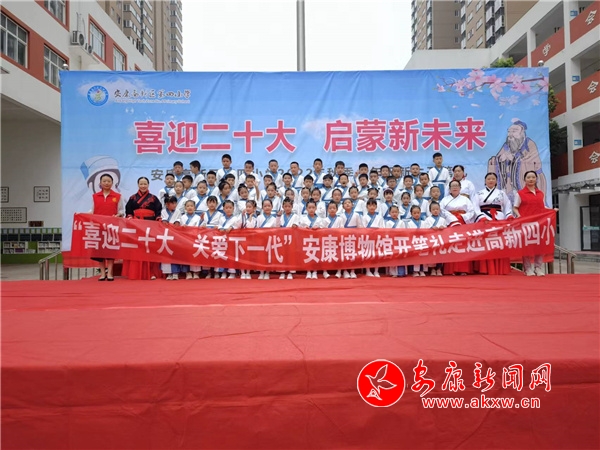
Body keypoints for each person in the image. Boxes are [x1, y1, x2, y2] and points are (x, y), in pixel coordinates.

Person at [488, 120, 547, 204]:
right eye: (509, 131)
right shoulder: (506, 145)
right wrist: (501, 158)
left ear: (522, 132)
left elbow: (531, 160)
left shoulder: (529, 144)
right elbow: (498, 158)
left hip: (522, 182)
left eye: (514, 131)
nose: (510, 134)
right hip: (508, 184)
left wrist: (514, 158)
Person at [513, 171, 557, 276]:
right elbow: (515, 207)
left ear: (536, 179)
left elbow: (542, 207)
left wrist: (552, 211)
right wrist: (519, 216)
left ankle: (538, 268)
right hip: (526, 224)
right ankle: (527, 268)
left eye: (533, 177)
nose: (531, 179)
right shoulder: (520, 194)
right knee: (527, 246)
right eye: (528, 177)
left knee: (540, 245)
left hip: (539, 223)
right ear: (524, 179)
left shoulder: (540, 193)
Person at [474, 173, 514, 275]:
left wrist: (509, 215)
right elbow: (475, 207)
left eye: (493, 179)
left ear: (496, 181)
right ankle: (485, 268)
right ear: (485, 181)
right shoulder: (479, 193)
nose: (491, 180)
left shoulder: (501, 193)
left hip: (498, 218)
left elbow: (507, 206)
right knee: (486, 243)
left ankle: (501, 268)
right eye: (488, 179)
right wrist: (481, 217)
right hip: (485, 219)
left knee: (499, 242)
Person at [123, 177, 162, 280]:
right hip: (137, 225)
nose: (143, 186)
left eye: (145, 184)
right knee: (138, 248)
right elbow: (128, 211)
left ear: (148, 185)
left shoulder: (154, 198)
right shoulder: (132, 198)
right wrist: (130, 217)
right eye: (141, 184)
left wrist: (158, 219)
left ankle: (151, 272)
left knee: (149, 247)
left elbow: (158, 211)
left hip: (150, 225)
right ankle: (135, 272)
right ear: (138, 185)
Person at [90, 173, 124, 281]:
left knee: (110, 250)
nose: (106, 183)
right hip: (98, 227)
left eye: (109, 181)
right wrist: (81, 215)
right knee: (99, 251)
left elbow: (121, 211)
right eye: (104, 181)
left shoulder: (117, 196)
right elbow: (92, 210)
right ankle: (102, 273)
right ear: (100, 183)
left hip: (111, 227)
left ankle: (109, 273)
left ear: (112, 183)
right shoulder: (95, 196)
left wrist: (118, 215)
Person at [440, 180, 476, 275]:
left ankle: (463, 269)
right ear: (449, 189)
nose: (455, 187)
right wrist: (452, 217)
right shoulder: (445, 200)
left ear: (460, 188)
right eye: (453, 186)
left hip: (462, 222)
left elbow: (471, 211)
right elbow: (441, 211)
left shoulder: (466, 200)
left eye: (457, 186)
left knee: (463, 245)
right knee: (451, 245)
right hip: (450, 223)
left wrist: (462, 217)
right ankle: (451, 269)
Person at [175, 200, 202, 279]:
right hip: (185, 239)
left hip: (194, 238)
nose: (190, 207)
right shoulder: (182, 217)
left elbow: (198, 227)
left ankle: (196, 272)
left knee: (195, 254)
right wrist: (183, 227)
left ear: (195, 207)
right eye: (188, 206)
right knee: (186, 255)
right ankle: (187, 272)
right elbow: (179, 227)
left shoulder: (198, 217)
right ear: (185, 208)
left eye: (191, 206)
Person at [320, 201, 344, 279]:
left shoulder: (340, 219)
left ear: (337, 209)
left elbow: (342, 229)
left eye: (334, 208)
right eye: (330, 208)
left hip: (337, 240)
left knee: (338, 255)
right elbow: (321, 230)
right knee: (325, 255)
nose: (332, 210)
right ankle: (325, 271)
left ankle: (339, 271)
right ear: (327, 210)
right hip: (327, 240)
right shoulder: (325, 220)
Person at [255, 198, 279, 280]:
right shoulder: (259, 217)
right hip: (261, 240)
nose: (267, 208)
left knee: (269, 256)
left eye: (269, 206)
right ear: (262, 207)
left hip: (270, 240)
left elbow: (277, 229)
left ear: (272, 207)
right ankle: (261, 272)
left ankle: (267, 272)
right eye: (265, 206)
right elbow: (256, 228)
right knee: (261, 256)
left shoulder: (274, 219)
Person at [340, 198, 364, 279]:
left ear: (352, 205)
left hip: (354, 236)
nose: (347, 204)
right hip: (345, 236)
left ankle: (352, 270)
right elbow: (341, 227)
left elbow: (359, 226)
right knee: (345, 254)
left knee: (353, 253)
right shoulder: (341, 216)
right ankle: (345, 270)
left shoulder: (356, 215)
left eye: (349, 202)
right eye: (345, 203)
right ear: (343, 206)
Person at [161, 196, 183, 280]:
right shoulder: (163, 211)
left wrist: (178, 221)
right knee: (166, 252)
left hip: (175, 234)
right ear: (167, 204)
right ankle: (168, 273)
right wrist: (163, 221)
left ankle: (175, 272)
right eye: (172, 203)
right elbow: (162, 220)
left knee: (174, 252)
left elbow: (180, 220)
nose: (174, 205)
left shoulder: (178, 211)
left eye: (175, 203)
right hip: (166, 234)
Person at [217, 200, 239, 279]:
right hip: (223, 240)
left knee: (231, 255)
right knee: (223, 255)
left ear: (233, 208)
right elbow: (219, 225)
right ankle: (223, 272)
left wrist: (232, 227)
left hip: (232, 240)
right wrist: (220, 228)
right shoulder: (221, 218)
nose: (228, 209)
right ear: (223, 209)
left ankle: (232, 272)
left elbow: (237, 226)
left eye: (230, 208)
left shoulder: (236, 218)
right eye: (226, 208)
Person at [363, 199, 385, 277]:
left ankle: (376, 271)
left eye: (373, 205)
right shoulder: (364, 217)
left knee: (377, 254)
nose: (371, 207)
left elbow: (382, 227)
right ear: (366, 207)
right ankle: (368, 270)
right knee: (368, 254)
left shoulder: (379, 217)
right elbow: (363, 228)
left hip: (377, 238)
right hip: (368, 238)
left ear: (376, 207)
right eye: (369, 205)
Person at [423, 201, 447, 276]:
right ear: (430, 210)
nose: (435, 211)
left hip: (440, 239)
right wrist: (431, 228)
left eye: (437, 209)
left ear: (439, 210)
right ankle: (432, 269)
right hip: (432, 239)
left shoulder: (443, 219)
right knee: (432, 254)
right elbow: (425, 228)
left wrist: (443, 227)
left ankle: (439, 268)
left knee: (440, 254)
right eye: (433, 209)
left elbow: (446, 228)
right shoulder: (428, 219)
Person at [278, 198, 299, 279]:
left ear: (292, 207)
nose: (287, 208)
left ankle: (290, 271)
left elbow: (297, 224)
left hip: (292, 238)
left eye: (289, 206)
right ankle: (282, 271)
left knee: (291, 255)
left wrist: (295, 225)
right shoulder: (281, 216)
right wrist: (278, 217)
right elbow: (277, 225)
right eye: (285, 206)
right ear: (283, 207)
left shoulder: (295, 216)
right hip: (282, 238)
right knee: (282, 255)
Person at [405, 205, 427, 277]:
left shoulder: (424, 222)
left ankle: (422, 270)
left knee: (423, 256)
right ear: (411, 214)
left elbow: (427, 232)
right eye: (414, 213)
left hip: (422, 240)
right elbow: (408, 233)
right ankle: (415, 271)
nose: (416, 214)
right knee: (415, 256)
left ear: (420, 213)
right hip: (414, 241)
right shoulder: (409, 223)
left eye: (418, 213)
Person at [385, 205, 404, 277]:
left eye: (396, 212)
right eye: (392, 212)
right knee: (392, 256)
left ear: (398, 213)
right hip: (391, 241)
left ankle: (401, 272)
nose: (394, 214)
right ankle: (393, 272)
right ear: (389, 213)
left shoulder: (401, 222)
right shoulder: (388, 223)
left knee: (400, 256)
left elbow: (404, 232)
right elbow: (387, 233)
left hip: (400, 241)